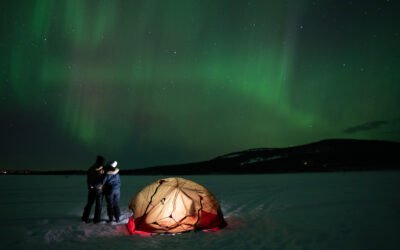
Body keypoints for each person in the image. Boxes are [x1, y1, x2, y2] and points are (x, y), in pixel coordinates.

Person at [81, 155, 105, 223]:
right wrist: (90, 186)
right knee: (90, 204)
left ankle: (95, 219)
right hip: (94, 190)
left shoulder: (102, 169)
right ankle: (85, 218)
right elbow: (89, 179)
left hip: (99, 190)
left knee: (97, 205)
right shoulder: (92, 169)